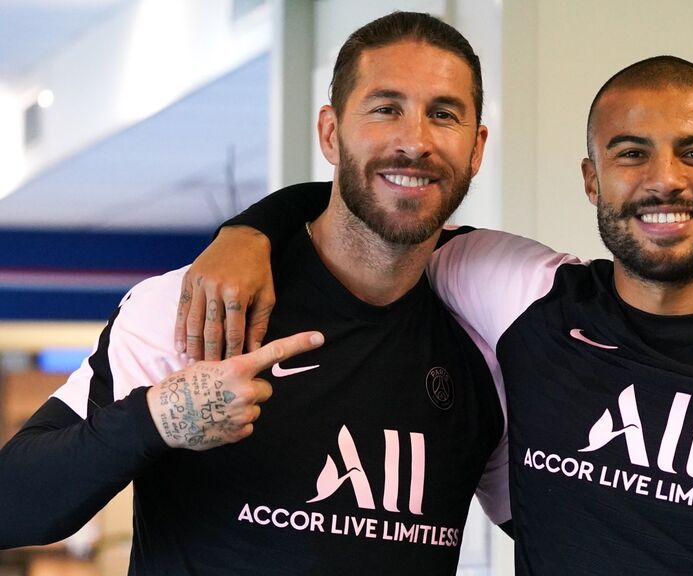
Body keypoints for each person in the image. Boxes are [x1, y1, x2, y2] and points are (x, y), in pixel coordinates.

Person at [177, 56, 693, 574]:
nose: (665, 181)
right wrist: (252, 230)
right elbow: (391, 209)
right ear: (592, 182)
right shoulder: (520, 291)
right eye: (630, 154)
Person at [0, 12, 510, 575]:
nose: (415, 141)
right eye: (385, 108)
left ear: (477, 147)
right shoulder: (194, 306)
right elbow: (12, 507)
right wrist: (157, 420)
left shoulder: (489, 335)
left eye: (443, 115)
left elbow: (571, 526)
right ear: (330, 134)